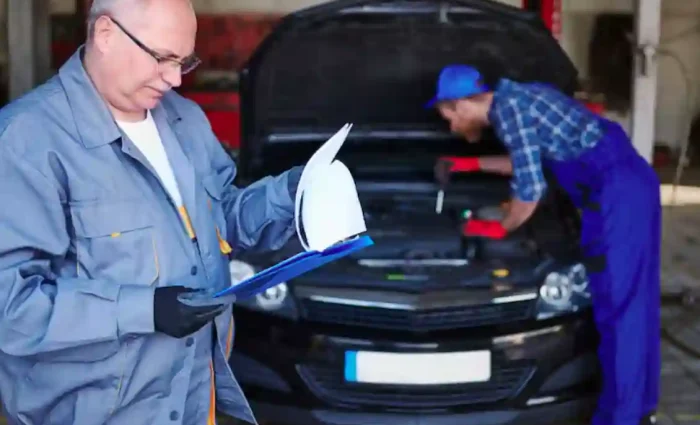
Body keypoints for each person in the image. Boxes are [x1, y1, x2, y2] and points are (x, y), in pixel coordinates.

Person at [0, 0, 302, 424]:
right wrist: (146, 310)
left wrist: (292, 194)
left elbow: (221, 218)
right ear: (106, 34)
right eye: (162, 58)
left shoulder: (185, 120)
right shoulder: (25, 142)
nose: (175, 79)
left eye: (184, 62)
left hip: (193, 401)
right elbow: (12, 307)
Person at [428, 65, 660, 425]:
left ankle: (620, 418)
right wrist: (468, 164)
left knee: (618, 308)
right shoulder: (518, 98)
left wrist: (499, 228)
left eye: (449, 119)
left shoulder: (510, 112)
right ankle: (639, 408)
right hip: (630, 186)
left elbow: (530, 189)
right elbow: (526, 161)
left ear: (459, 105)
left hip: (617, 195)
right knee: (635, 302)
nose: (451, 128)